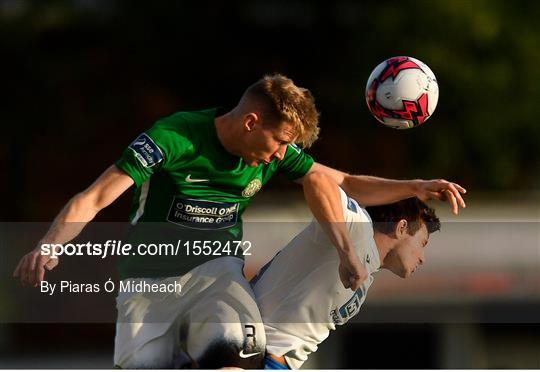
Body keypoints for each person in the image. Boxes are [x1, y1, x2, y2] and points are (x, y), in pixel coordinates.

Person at [13, 74, 464, 368]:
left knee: (237, 347)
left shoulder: (278, 151)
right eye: (277, 142)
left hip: (217, 272)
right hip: (150, 279)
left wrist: (413, 185)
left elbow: (338, 180)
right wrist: (49, 246)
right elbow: (94, 196)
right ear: (251, 122)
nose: (277, 155)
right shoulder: (175, 137)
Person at [251, 172, 441, 369]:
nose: (422, 258)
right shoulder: (359, 228)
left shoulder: (367, 267)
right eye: (422, 243)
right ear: (401, 228)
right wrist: (347, 252)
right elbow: (318, 180)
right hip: (254, 352)